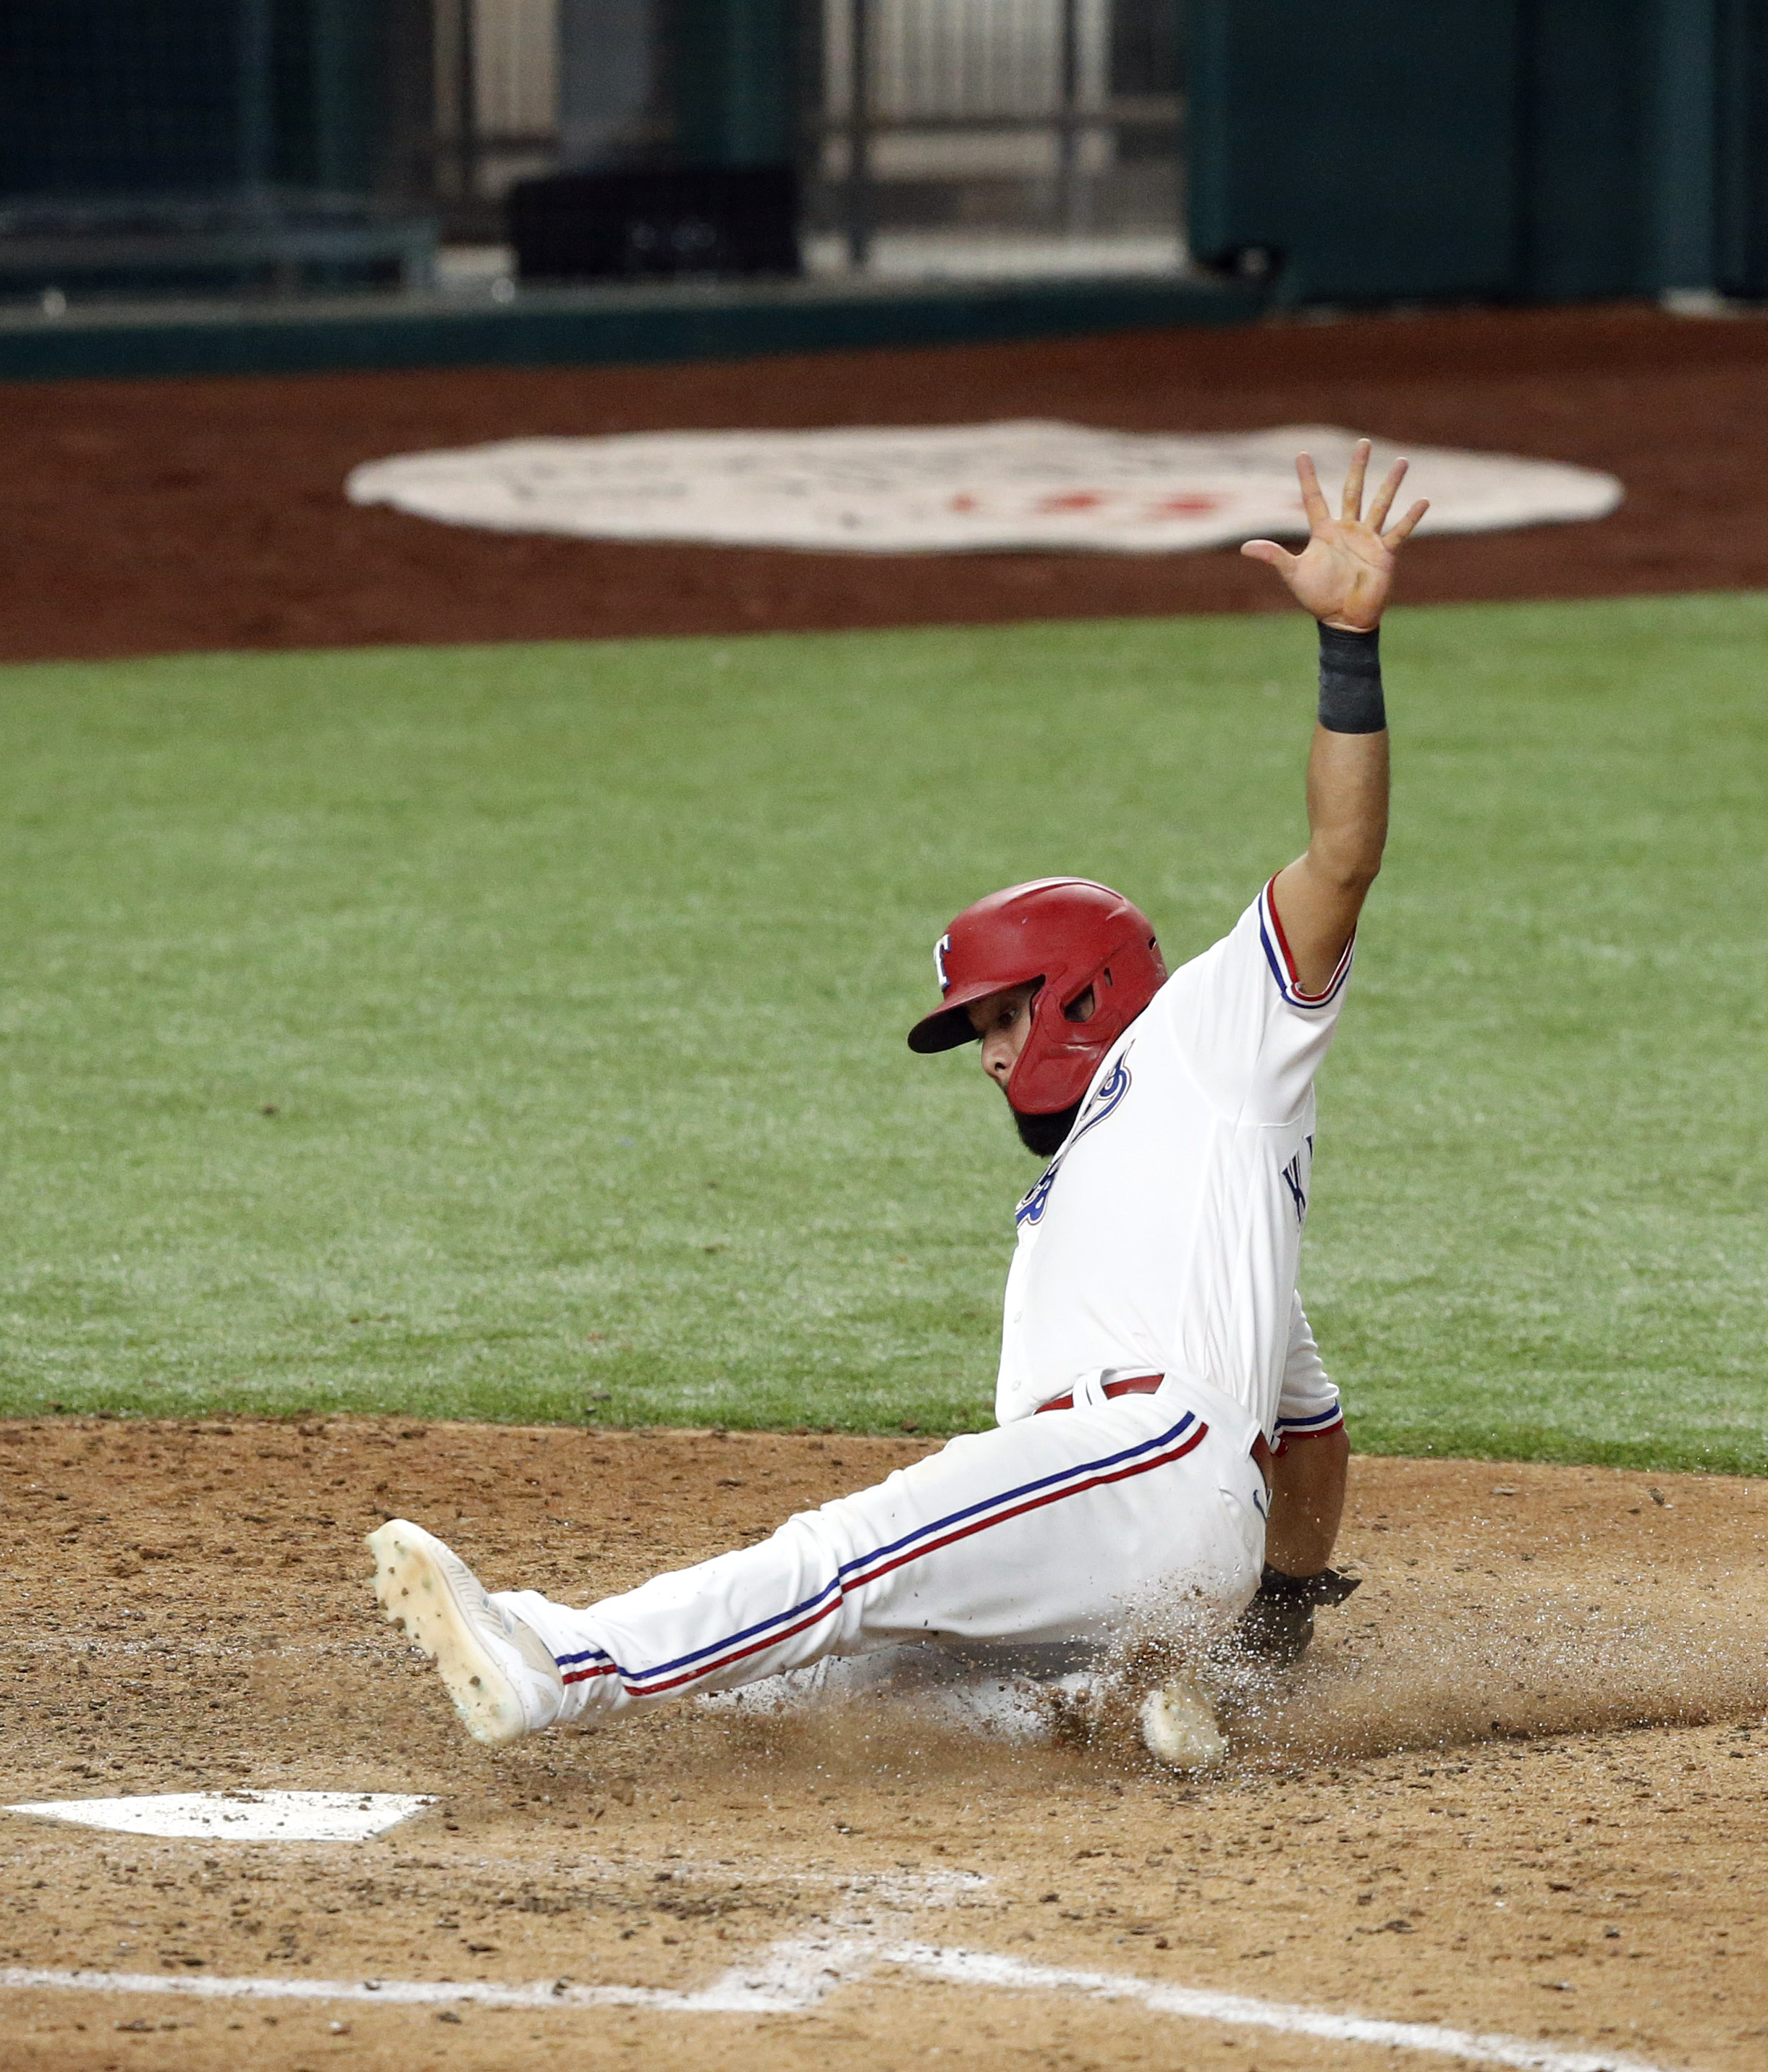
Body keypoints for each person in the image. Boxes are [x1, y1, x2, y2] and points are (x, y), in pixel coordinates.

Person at [368, 443, 1426, 1769]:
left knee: (848, 1553)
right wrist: (1272, 1618)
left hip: (1136, 1468)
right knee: (856, 1674)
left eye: (1001, 1016)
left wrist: (1347, 643)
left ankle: (557, 1660)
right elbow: (1313, 1431)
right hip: (1129, 1537)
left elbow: (1341, 859)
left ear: (1087, 992)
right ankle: (1099, 1707)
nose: (989, 1056)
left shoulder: (1214, 1039)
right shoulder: (1158, 1199)